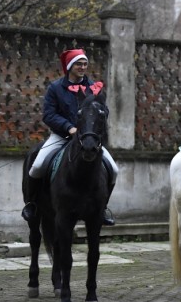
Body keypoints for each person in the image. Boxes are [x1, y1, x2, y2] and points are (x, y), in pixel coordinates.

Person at [23, 49, 118, 226]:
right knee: (37, 166)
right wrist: (69, 127)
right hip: (62, 136)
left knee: (113, 169)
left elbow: (104, 112)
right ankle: (32, 204)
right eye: (78, 64)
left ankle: (102, 208)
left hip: (88, 138)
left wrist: (96, 117)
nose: (82, 67)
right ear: (69, 66)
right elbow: (49, 115)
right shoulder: (55, 88)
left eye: (85, 64)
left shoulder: (94, 88)